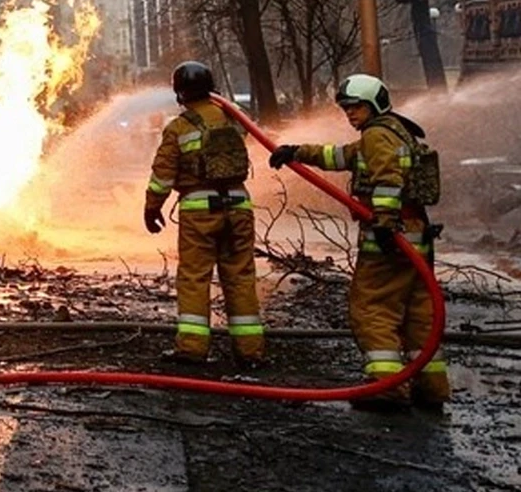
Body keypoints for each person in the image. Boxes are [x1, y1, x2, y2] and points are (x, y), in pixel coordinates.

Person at [270, 74, 448, 411]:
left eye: (356, 107)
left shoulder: (378, 136)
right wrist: (295, 152)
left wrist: (383, 220)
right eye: (347, 108)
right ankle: (432, 387)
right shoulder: (394, 132)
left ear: (375, 105)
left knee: (374, 308)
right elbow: (338, 156)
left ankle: (387, 388)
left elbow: (387, 180)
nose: (350, 114)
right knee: (418, 314)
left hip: (390, 238)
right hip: (415, 235)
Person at [144, 61, 266, 367]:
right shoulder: (233, 120)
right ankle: (250, 352)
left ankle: (193, 348)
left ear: (179, 92)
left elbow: (162, 176)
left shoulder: (179, 128)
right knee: (240, 278)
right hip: (239, 208)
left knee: (195, 279)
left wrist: (152, 207)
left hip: (200, 213)